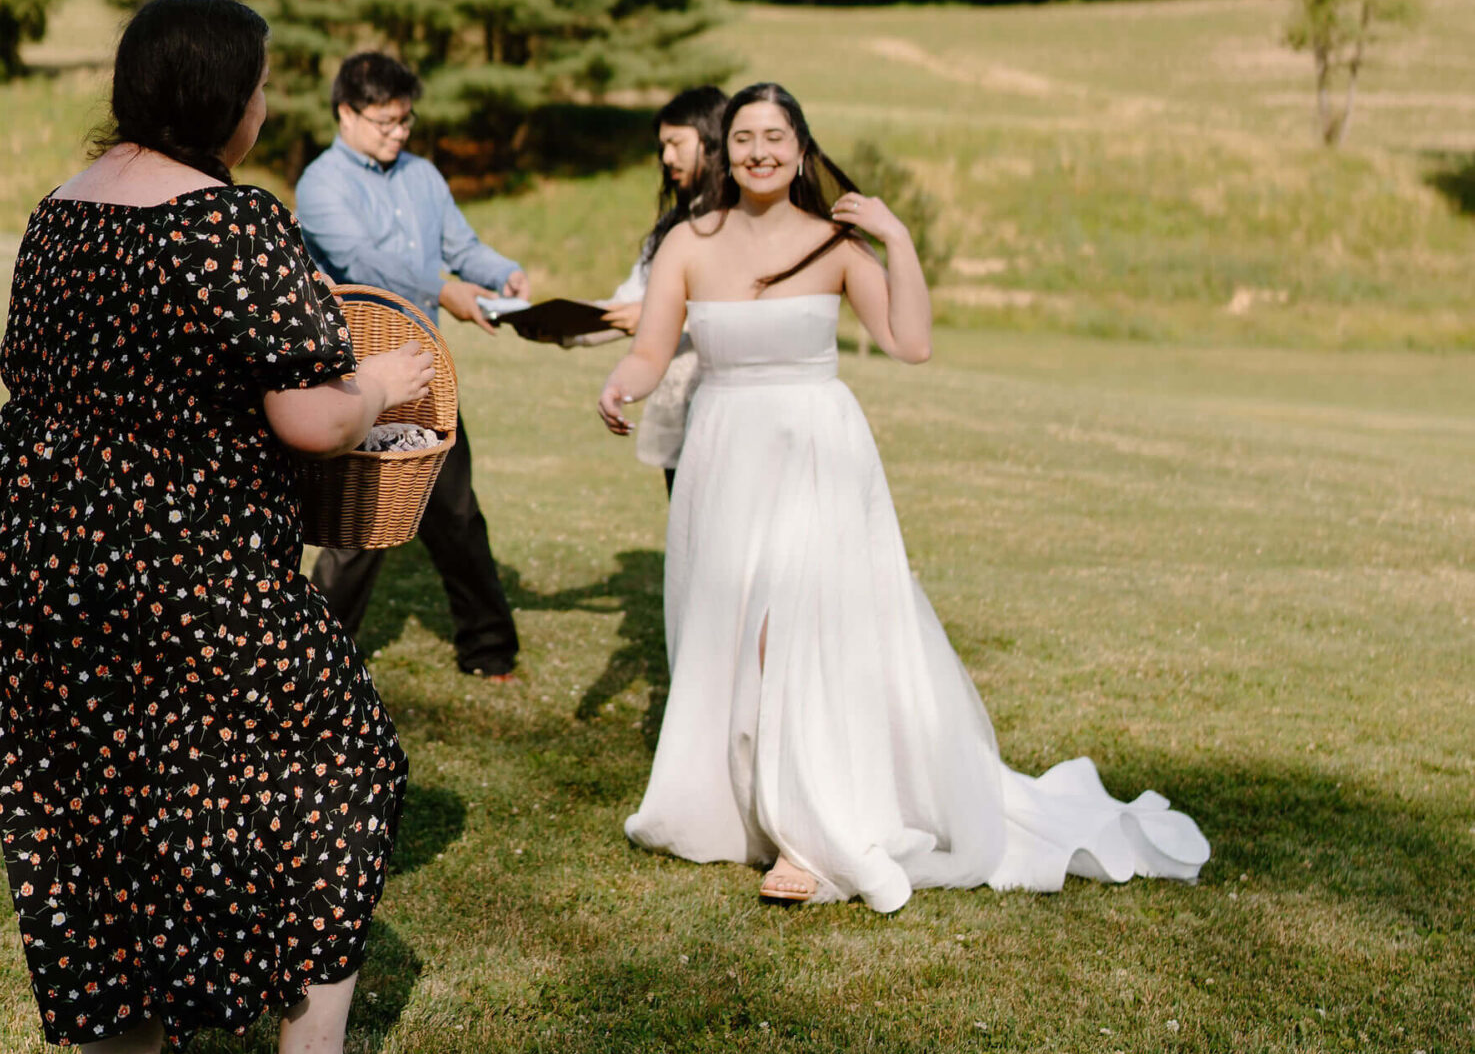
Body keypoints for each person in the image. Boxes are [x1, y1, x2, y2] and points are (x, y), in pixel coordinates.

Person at [0, 0, 439, 1054]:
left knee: (89, 826)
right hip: (182, 561)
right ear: (224, 97)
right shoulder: (228, 222)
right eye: (261, 83)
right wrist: (381, 373)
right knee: (346, 761)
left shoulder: (60, 212)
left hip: (31, 553)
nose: (266, 101)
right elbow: (311, 413)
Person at [597, 82, 1209, 911]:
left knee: (792, 630)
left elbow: (909, 343)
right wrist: (621, 386)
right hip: (723, 455)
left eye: (775, 136)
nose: (759, 152)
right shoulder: (687, 244)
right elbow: (651, 349)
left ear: (801, 147)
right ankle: (743, 802)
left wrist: (895, 237)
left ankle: (804, 836)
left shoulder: (836, 245)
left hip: (817, 454)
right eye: (743, 138)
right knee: (730, 631)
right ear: (722, 149)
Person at [296, 49, 528, 680]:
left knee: (456, 514)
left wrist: (498, 273)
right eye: (384, 122)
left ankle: (488, 648)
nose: (398, 133)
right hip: (356, 377)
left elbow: (462, 244)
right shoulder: (320, 185)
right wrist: (448, 289)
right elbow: (370, 265)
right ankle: (315, 666)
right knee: (358, 530)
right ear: (346, 113)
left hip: (426, 375)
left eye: (406, 121)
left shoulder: (423, 176)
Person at [601, 85, 728, 495]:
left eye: (676, 143)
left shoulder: (743, 220)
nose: (666, 158)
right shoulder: (673, 225)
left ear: (712, 140)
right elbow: (629, 301)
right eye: (662, 147)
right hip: (678, 403)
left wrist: (662, 315)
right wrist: (553, 324)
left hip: (728, 408)